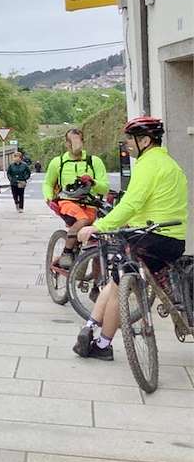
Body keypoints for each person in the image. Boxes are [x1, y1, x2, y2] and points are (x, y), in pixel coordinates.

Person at [72, 117, 188, 361]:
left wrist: (98, 226)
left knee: (117, 287)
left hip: (152, 238)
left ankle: (102, 343)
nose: (127, 144)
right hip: (172, 238)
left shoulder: (148, 165)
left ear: (145, 140)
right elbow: (149, 204)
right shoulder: (168, 163)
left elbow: (132, 203)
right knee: (115, 280)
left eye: (130, 139)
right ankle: (90, 328)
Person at [42, 128, 108, 269]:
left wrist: (93, 182)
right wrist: (49, 199)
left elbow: (105, 188)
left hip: (89, 203)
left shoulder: (94, 162)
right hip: (66, 201)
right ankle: (66, 253)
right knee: (82, 219)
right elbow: (48, 183)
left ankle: (96, 286)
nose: (75, 145)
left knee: (97, 241)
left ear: (83, 142)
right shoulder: (58, 162)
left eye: (78, 141)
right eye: (72, 141)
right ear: (66, 143)